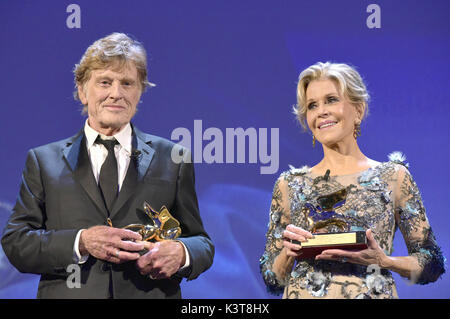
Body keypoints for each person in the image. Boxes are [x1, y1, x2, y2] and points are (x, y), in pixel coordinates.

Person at [1, 32, 214, 298]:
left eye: (127, 83)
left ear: (140, 92)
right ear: (82, 91)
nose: (116, 93)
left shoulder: (174, 158)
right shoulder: (43, 161)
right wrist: (82, 242)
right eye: (105, 82)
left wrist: (182, 253)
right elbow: (16, 243)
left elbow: (202, 243)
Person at [260, 62, 445, 298]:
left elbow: (432, 264)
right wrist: (288, 253)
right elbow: (272, 280)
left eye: (331, 100)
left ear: (358, 110)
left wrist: (384, 260)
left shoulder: (393, 177)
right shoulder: (289, 185)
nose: (321, 111)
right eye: (312, 105)